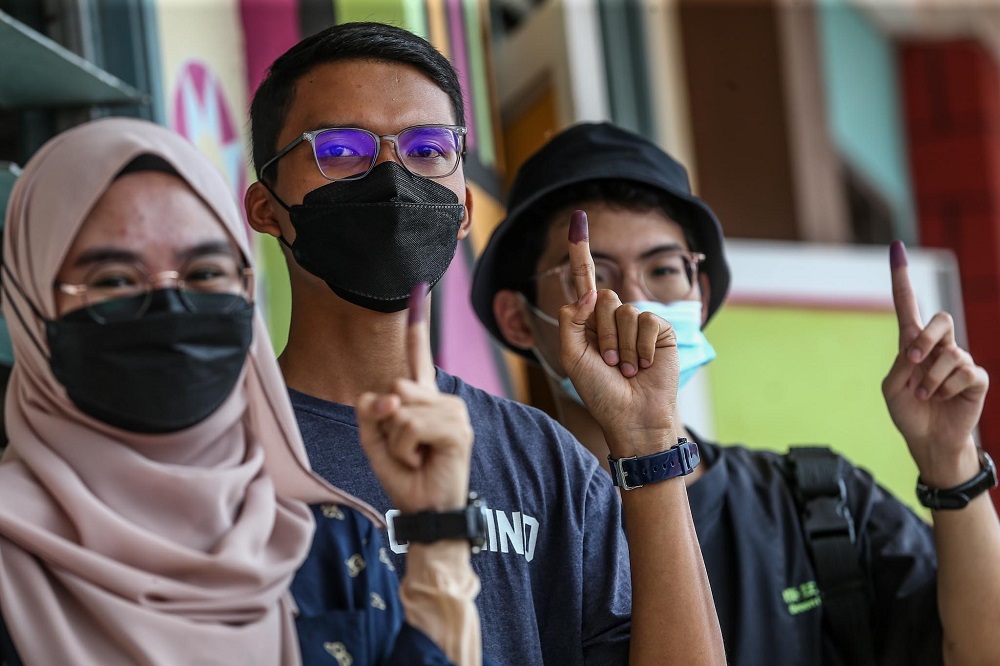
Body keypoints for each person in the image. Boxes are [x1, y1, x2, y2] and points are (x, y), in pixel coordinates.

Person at [244, 21, 725, 665]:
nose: (391, 174)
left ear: (464, 208)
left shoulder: (544, 460)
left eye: (427, 148)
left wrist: (646, 442)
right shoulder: (226, 448)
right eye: (340, 149)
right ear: (264, 208)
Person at [471, 121, 1000, 666]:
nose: (633, 302)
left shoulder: (821, 506)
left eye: (663, 269)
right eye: (592, 276)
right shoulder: (498, 536)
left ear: (699, 298)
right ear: (517, 319)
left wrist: (951, 460)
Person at [0, 116, 485, 665]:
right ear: (30, 304)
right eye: (114, 281)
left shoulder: (329, 542)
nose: (171, 308)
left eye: (205, 273)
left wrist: (439, 540)